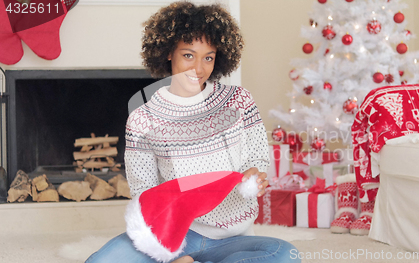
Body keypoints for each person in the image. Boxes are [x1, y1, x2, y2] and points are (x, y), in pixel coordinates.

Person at [86, 2, 300, 263]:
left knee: (284, 255)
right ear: (168, 53)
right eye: (188, 55)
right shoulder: (143, 118)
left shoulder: (239, 101)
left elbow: (256, 158)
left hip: (233, 237)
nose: (198, 69)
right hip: (174, 235)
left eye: (208, 57)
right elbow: (144, 191)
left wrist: (254, 175)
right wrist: (171, 254)